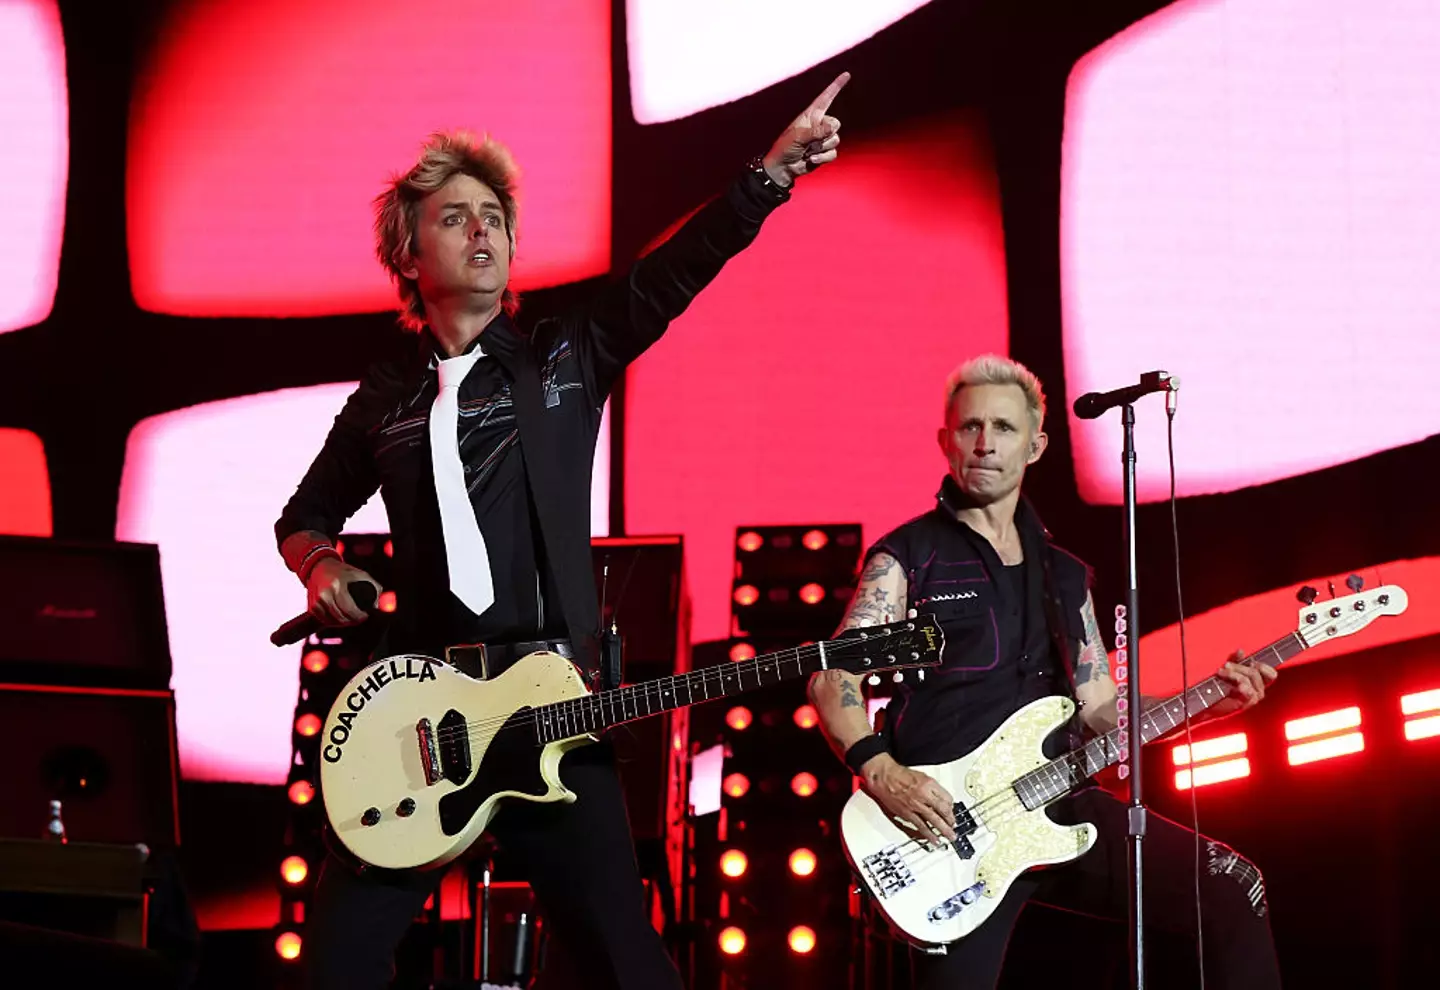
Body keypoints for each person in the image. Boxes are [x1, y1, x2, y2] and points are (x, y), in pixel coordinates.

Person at [274, 73, 850, 990]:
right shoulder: (383, 396)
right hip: (418, 712)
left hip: (549, 704)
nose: (485, 229)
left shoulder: (563, 354)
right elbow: (302, 519)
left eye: (495, 214)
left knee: (628, 965)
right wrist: (322, 566)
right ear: (408, 255)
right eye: (457, 216)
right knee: (335, 968)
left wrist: (767, 178)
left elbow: (675, 271)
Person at [809, 354, 1282, 989]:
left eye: (1002, 428)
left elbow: (1101, 712)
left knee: (1234, 890)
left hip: (1059, 805)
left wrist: (1208, 702)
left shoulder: (1065, 576)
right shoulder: (907, 558)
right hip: (948, 832)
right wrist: (881, 769)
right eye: (970, 427)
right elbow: (830, 679)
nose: (984, 444)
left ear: (1036, 445)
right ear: (945, 441)